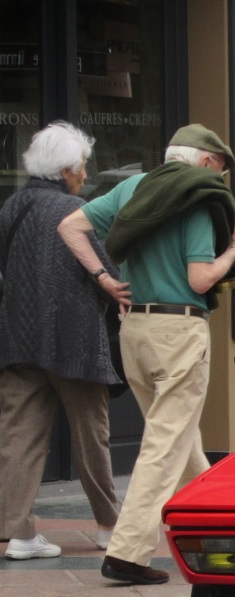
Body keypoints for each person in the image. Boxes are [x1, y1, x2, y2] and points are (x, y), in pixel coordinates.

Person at [59, 124, 235, 585]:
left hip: (134, 328)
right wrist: (234, 251)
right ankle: (128, 552)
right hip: (178, 330)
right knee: (165, 444)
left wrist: (104, 278)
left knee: (182, 445)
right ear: (203, 163)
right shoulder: (197, 202)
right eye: (218, 171)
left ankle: (222, 536)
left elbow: (71, 226)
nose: (218, 183)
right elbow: (201, 280)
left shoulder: (133, 188)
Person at [0, 122, 129, 561]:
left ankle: (18, 532)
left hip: (19, 337)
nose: (86, 175)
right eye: (84, 167)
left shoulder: (12, 207)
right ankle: (109, 525)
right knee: (91, 435)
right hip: (74, 340)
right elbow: (105, 270)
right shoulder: (75, 211)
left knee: (18, 434)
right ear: (68, 169)